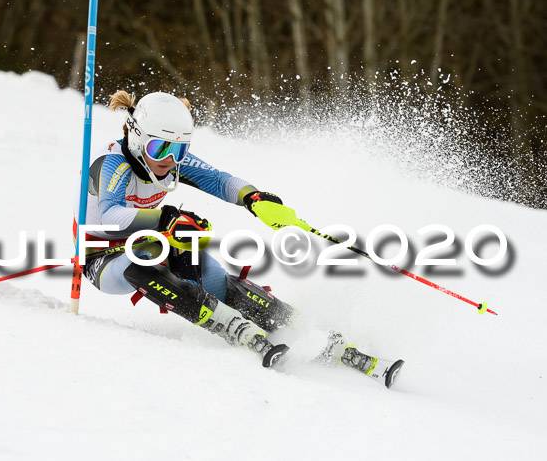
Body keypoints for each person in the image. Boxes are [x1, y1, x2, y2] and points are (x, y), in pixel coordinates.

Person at [73, 91, 402, 383]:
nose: (171, 161)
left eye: (180, 149)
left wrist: (252, 198)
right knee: (141, 263)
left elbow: (218, 181)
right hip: (104, 257)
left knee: (214, 277)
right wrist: (166, 218)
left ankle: (311, 334)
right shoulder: (114, 162)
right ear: (138, 139)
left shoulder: (166, 160)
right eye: (161, 148)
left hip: (155, 238)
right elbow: (111, 215)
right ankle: (234, 328)